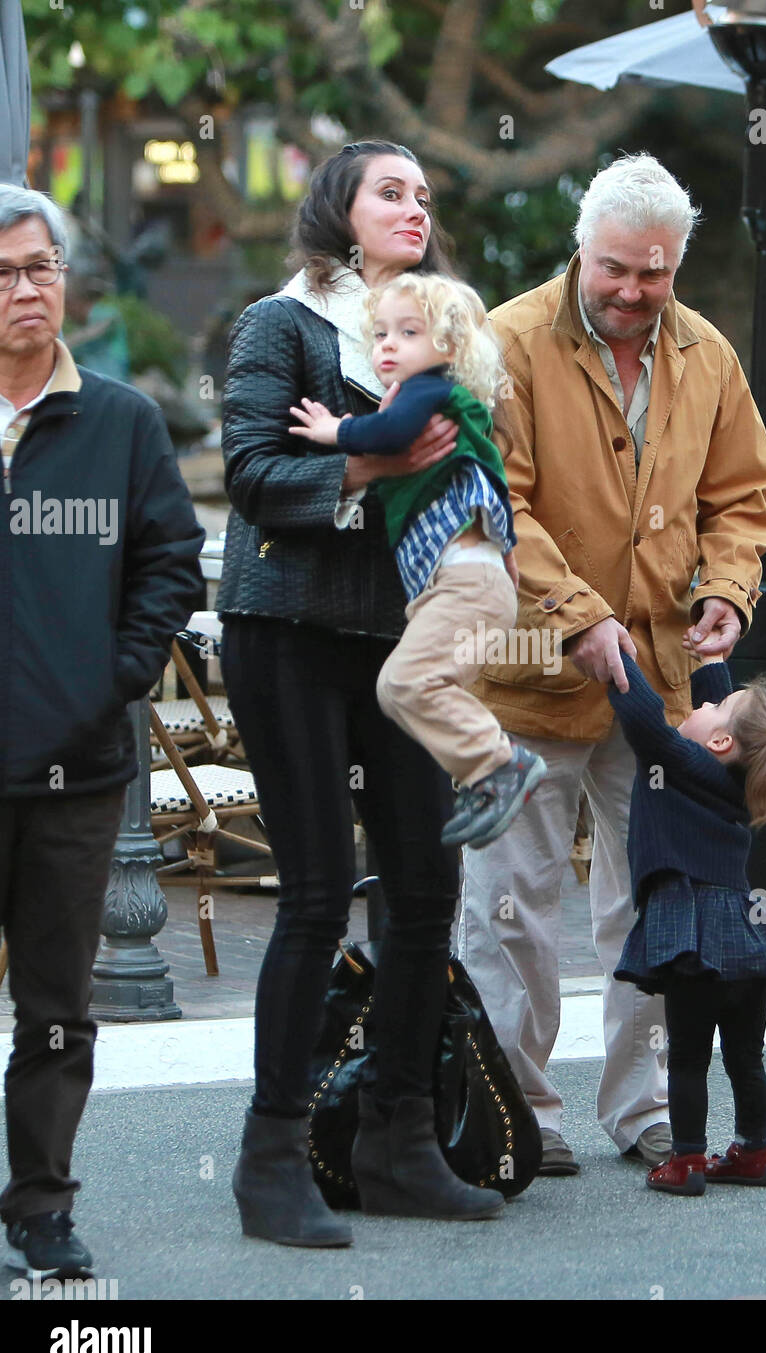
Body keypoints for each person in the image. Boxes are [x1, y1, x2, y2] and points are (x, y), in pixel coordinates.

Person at [457, 153, 766, 1175]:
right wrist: (579, 615)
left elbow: (742, 500)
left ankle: (644, 1111)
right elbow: (488, 505)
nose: (632, 291)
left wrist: (728, 590)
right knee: (509, 906)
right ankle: (519, 1112)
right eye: (613, 270)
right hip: (526, 674)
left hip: (664, 693)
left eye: (654, 272)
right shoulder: (502, 341)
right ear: (578, 249)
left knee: (655, 910)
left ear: (675, 261)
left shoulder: (709, 354)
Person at [218, 140, 504, 1244]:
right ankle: (271, 1157)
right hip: (285, 632)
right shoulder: (278, 326)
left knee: (428, 889)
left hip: (401, 649)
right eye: (391, 190)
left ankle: (398, 1139)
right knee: (314, 893)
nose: (415, 207)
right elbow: (251, 479)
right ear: (337, 208)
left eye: (426, 194)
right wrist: (369, 466)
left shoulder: (437, 338)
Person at [0, 185, 204, 1276]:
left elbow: (171, 563)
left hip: (76, 770)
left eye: (40, 267)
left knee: (55, 1009)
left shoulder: (120, 421)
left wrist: (114, 673)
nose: (27, 289)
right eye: (3, 273)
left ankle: (40, 1206)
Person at [288, 271, 546, 848]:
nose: (387, 345)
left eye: (408, 332)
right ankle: (485, 776)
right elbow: (490, 480)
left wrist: (336, 430)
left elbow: (391, 432)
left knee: (405, 683)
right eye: (379, 333)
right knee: (412, 687)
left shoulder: (428, 391)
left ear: (448, 348)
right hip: (466, 586)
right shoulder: (450, 406)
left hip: (464, 585)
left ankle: (499, 764)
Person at [607, 645, 766, 1196]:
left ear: (719, 742)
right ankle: (753, 1153)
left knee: (687, 1058)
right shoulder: (732, 777)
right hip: (747, 943)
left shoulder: (678, 763)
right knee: (744, 1058)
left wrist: (612, 649)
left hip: (696, 937)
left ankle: (685, 1162)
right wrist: (707, 653)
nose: (700, 704)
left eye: (716, 707)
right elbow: (715, 706)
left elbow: (641, 719)